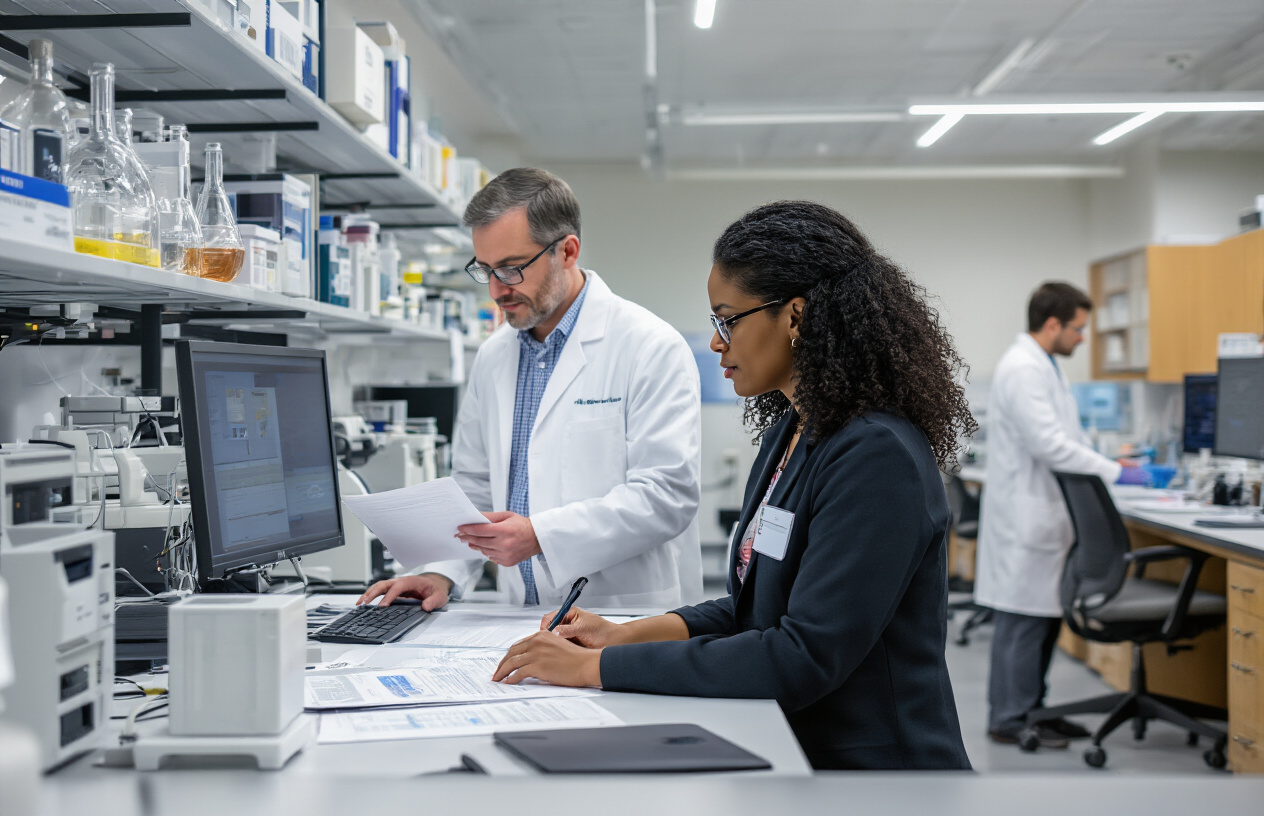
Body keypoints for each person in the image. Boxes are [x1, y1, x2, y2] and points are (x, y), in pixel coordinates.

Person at [489, 200, 975, 772]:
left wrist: (592, 670)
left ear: (795, 316)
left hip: (879, 776)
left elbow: (802, 656)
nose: (716, 343)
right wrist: (622, 637)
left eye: (727, 320)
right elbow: (756, 610)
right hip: (793, 748)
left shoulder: (876, 455)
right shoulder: (791, 434)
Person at [359, 168, 702, 610]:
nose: (497, 290)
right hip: (519, 614)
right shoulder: (494, 355)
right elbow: (475, 489)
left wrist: (541, 536)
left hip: (623, 613)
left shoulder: (649, 346)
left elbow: (666, 495)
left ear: (567, 251)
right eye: (485, 270)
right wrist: (440, 571)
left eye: (512, 268)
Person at [974, 282, 1138, 748]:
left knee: (1042, 619)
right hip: (1027, 519)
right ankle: (1009, 718)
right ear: (1053, 325)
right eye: (1079, 329)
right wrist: (1114, 472)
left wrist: (1113, 463)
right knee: (1022, 622)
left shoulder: (1043, 365)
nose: (1083, 338)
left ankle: (1036, 711)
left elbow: (1068, 436)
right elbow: (1049, 444)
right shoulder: (1022, 369)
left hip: (1045, 516)